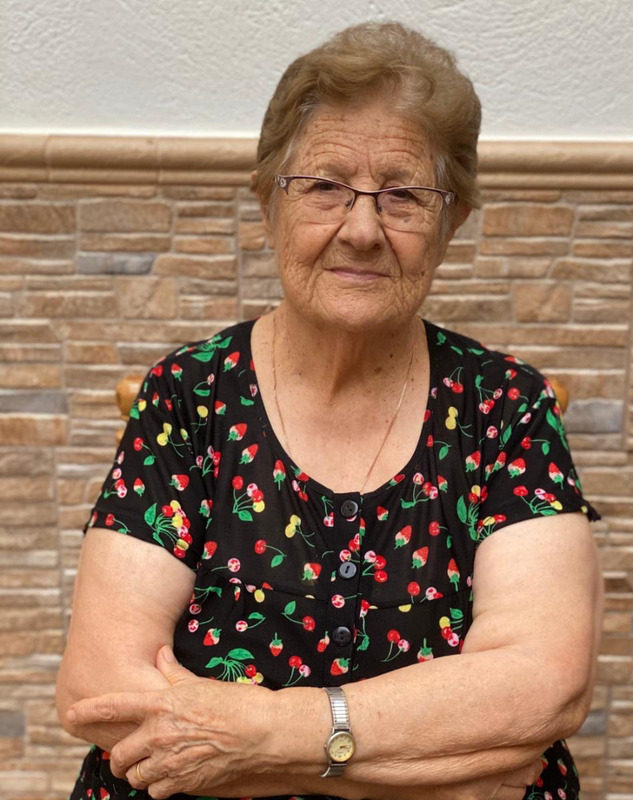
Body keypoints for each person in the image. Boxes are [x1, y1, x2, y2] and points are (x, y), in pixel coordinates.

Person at [56, 21, 603, 800]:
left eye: (404, 196)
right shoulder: (190, 395)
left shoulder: (504, 408)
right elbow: (100, 690)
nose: (362, 229)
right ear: (269, 201)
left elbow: (542, 691)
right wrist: (430, 766)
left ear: (451, 223)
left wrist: (256, 739)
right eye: (324, 186)